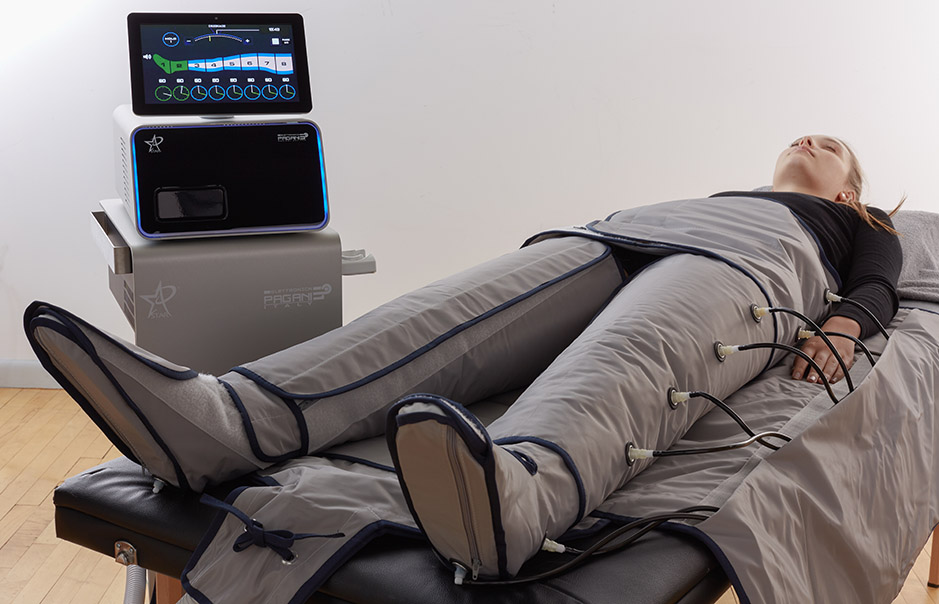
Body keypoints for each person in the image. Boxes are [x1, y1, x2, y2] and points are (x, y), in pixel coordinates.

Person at [24, 134, 904, 589]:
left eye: (828, 141)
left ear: (848, 187)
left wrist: (844, 325)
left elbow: (877, 287)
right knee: (438, 319)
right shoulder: (713, 191)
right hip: (612, 234)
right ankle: (233, 420)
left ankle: (519, 493)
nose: (808, 137)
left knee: (624, 359)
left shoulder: (853, 225)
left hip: (746, 269)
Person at [713, 135, 902, 385]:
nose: (805, 142)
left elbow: (875, 283)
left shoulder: (861, 217)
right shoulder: (722, 200)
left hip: (738, 284)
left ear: (847, 194)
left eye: (830, 149)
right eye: (794, 143)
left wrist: (841, 329)